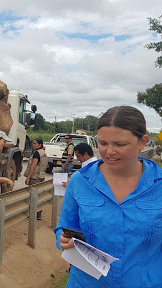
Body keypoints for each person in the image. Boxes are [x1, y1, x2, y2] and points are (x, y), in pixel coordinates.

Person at [54, 106, 162, 287]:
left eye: (120, 144)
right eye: (103, 143)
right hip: (86, 283)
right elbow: (64, 228)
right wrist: (63, 240)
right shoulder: (80, 181)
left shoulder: (158, 185)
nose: (109, 152)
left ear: (142, 142)